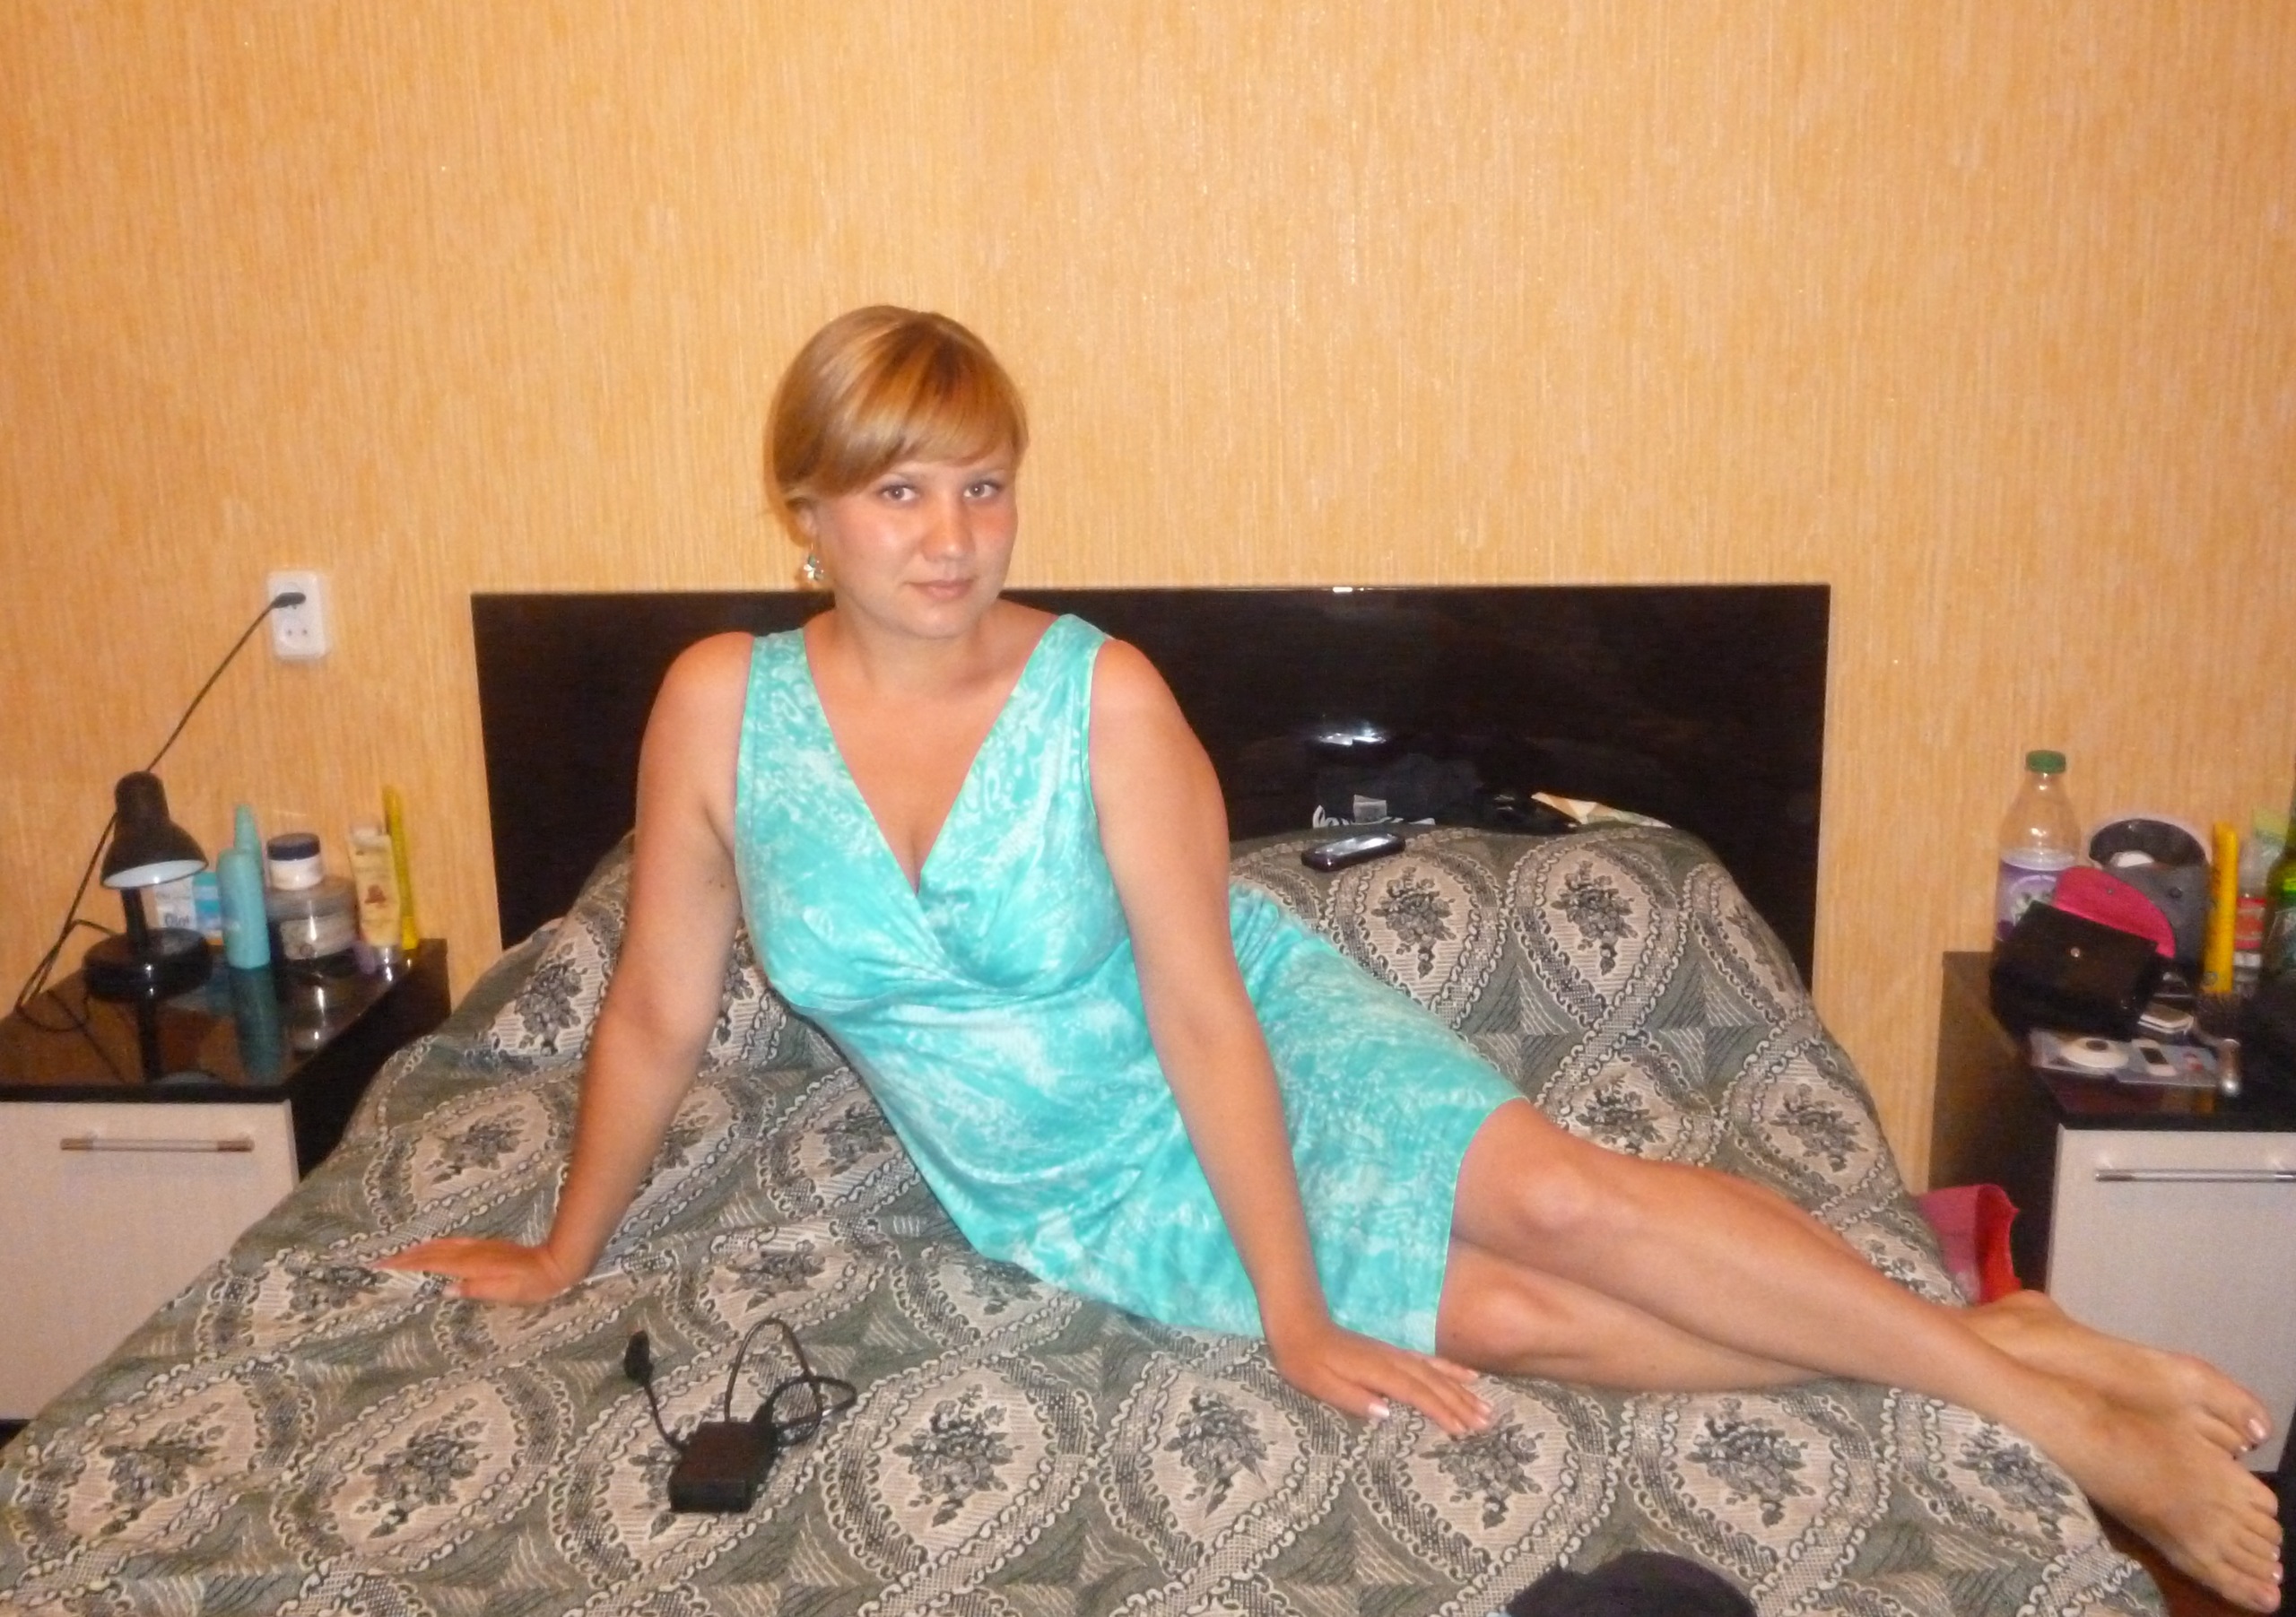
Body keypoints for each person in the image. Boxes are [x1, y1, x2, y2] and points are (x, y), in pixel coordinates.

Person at [387, 306, 2283, 1612]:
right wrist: (563, 1248)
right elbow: (654, 1002)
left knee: (1562, 1200)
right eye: (899, 491)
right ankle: (1989, 1337)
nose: (951, 537)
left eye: (983, 484)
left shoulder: (1101, 696)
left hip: (1249, 1043)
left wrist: (1297, 1312)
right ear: (804, 512)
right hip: (1066, 1185)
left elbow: (1203, 1008)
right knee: (1517, 1325)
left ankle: (2052, 1414)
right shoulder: (719, 708)